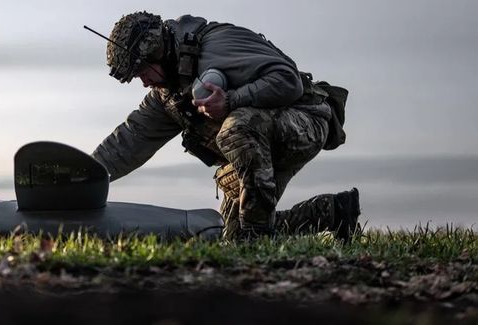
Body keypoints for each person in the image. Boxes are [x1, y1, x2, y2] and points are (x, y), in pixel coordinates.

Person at [91, 11, 360, 241]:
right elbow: (127, 142)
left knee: (236, 129)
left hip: (305, 120)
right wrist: (80, 176)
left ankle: (257, 237)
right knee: (232, 236)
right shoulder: (167, 96)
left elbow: (289, 81)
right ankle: (333, 212)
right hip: (257, 143)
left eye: (142, 72)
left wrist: (231, 100)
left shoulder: (218, 46)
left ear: (156, 52)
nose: (144, 82)